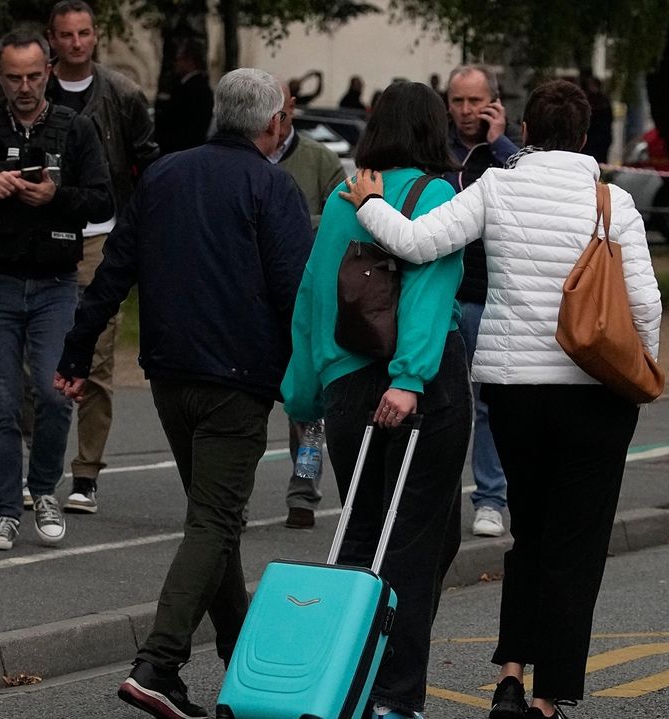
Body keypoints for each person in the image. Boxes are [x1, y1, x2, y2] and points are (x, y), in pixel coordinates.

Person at [341, 79, 661, 719]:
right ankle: (547, 698)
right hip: (594, 399)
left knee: (531, 535)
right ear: (584, 135)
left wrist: (371, 204)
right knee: (575, 551)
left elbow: (416, 243)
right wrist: (639, 367)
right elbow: (647, 305)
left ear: (526, 128)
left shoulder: (496, 186)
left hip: (515, 397)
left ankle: (510, 672)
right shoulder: (613, 202)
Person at [54, 68, 312, 719]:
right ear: (274, 121)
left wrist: (76, 352)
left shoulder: (164, 176)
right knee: (216, 519)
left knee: (212, 518)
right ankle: (158, 662)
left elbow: (114, 270)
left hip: (170, 374)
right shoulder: (272, 186)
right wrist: (308, 377)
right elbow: (296, 291)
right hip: (238, 380)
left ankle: (240, 658)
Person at [282, 80, 471, 719]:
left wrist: (304, 390)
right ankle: (393, 694)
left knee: (367, 529)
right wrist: (412, 377)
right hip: (415, 382)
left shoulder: (346, 193)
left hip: (344, 383)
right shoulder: (435, 192)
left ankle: (344, 675)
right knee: (416, 542)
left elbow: (314, 294)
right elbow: (430, 290)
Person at [0, 29, 113, 551]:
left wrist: (55, 197)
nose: (25, 86)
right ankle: (5, 512)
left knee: (56, 396)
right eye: (14, 77)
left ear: (49, 70)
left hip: (57, 283)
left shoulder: (75, 130)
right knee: (3, 403)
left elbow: (102, 201)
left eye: (34, 75)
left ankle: (45, 491)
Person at [45, 0, 159, 513]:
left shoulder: (124, 94)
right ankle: (33, 464)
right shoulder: (30, 87)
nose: (76, 43)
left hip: (102, 234)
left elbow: (145, 162)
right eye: (66, 35)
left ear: (96, 36)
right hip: (39, 237)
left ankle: (86, 472)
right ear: (52, 38)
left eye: (84, 33)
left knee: (97, 357)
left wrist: (139, 232)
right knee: (38, 356)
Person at [268, 81, 347, 529]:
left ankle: (303, 491)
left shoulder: (320, 159)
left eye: (280, 109)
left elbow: (341, 216)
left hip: (307, 295)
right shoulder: (247, 155)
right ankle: (230, 500)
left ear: (292, 108)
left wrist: (289, 220)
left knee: (305, 398)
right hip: (254, 299)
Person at [445, 64, 518, 538]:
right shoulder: (436, 150)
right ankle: (441, 499)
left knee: (490, 404)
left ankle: (490, 500)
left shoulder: (506, 156)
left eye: (476, 101)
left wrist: (501, 142)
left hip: (490, 295)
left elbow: (527, 185)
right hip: (445, 297)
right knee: (445, 404)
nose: (467, 111)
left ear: (494, 102)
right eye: (458, 101)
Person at [155, 39, 212, 154]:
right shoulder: (201, 87)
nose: (176, 63)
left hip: (179, 151)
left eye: (179, 59)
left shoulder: (188, 89)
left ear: (189, 61)